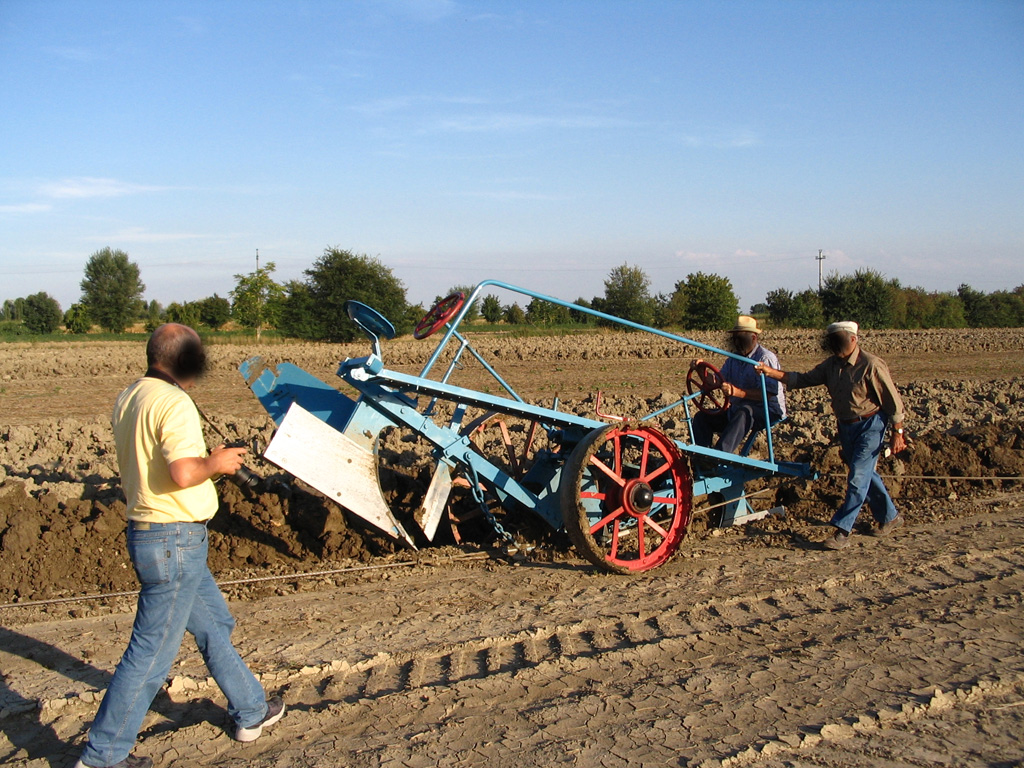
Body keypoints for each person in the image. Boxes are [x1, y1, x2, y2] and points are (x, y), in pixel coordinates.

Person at [75, 324, 284, 768]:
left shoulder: (133, 394)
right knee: (149, 655)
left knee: (213, 624)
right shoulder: (174, 402)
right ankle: (102, 758)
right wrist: (218, 463)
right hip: (173, 540)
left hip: (155, 533)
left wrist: (205, 460)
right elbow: (184, 473)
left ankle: (251, 710)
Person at [755, 320, 907, 550]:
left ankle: (842, 531)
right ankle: (890, 517)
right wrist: (771, 372)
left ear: (853, 340)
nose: (835, 346)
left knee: (857, 477)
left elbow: (893, 402)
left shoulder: (871, 365)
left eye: (839, 341)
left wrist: (898, 432)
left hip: (871, 425)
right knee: (865, 474)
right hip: (846, 427)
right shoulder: (831, 366)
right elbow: (803, 379)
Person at [691, 315, 786, 455]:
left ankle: (719, 456)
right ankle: (700, 457)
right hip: (738, 411)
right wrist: (700, 370)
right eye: (734, 339)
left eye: (740, 339)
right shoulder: (733, 360)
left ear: (753, 338)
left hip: (767, 410)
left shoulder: (765, 358)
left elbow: (769, 394)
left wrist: (737, 393)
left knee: (744, 412)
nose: (736, 343)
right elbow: (716, 381)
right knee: (702, 417)